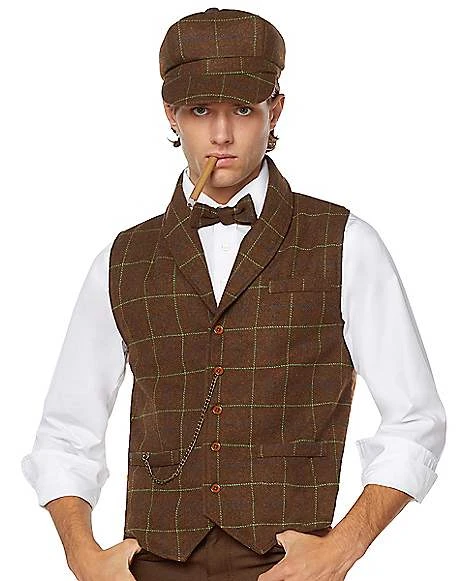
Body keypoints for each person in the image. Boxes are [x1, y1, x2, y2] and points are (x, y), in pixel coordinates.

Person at [21, 7, 446, 581]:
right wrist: (82, 556)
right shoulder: (122, 259)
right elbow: (66, 430)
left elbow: (416, 418)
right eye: (200, 111)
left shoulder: (345, 242)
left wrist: (342, 549)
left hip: (289, 564)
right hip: (152, 563)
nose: (221, 136)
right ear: (171, 114)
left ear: (276, 111)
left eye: (242, 110)